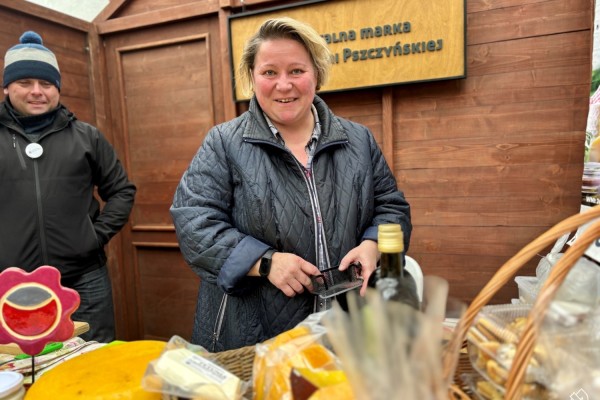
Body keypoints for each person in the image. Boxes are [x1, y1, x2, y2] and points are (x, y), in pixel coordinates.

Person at [170, 17, 411, 352]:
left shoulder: (358, 140)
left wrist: (374, 245)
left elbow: (391, 206)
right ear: (253, 78)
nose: (284, 85)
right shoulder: (225, 143)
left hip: (349, 328)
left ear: (316, 74)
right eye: (270, 72)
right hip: (256, 334)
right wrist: (264, 262)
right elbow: (193, 220)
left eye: (296, 70)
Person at [0, 31, 136, 342]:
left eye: (46, 84)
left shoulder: (87, 137)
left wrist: (95, 236)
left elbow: (121, 191)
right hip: (11, 287)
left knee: (93, 362)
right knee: (26, 371)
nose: (37, 92)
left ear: (57, 88)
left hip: (84, 279)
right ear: (7, 86)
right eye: (25, 83)